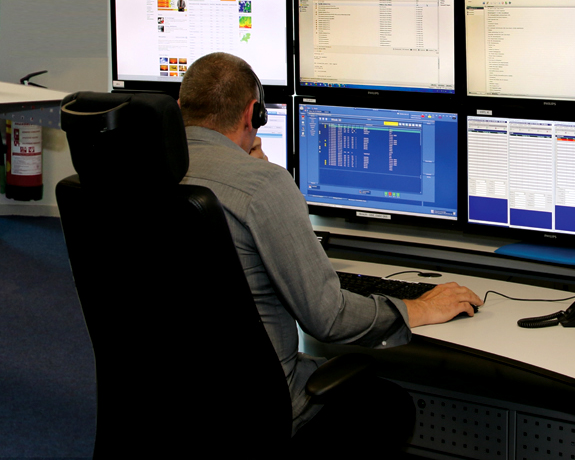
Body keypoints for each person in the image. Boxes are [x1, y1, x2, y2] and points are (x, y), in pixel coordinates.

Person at [176, 52, 480, 456]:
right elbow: (329, 318)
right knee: (388, 406)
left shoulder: (136, 173)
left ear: (179, 108)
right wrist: (419, 307)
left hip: (176, 403)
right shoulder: (262, 186)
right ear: (253, 114)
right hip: (263, 410)